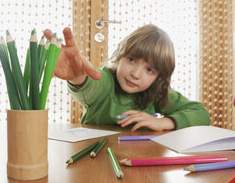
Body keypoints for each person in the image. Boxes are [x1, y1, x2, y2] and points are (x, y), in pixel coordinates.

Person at [44, 24, 210, 131]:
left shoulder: (157, 93)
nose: (135, 74)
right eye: (131, 60)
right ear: (120, 56)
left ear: (159, 77)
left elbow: (201, 114)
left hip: (140, 162)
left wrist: (164, 122)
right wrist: (77, 77)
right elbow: (90, 86)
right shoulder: (107, 80)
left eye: (150, 70)